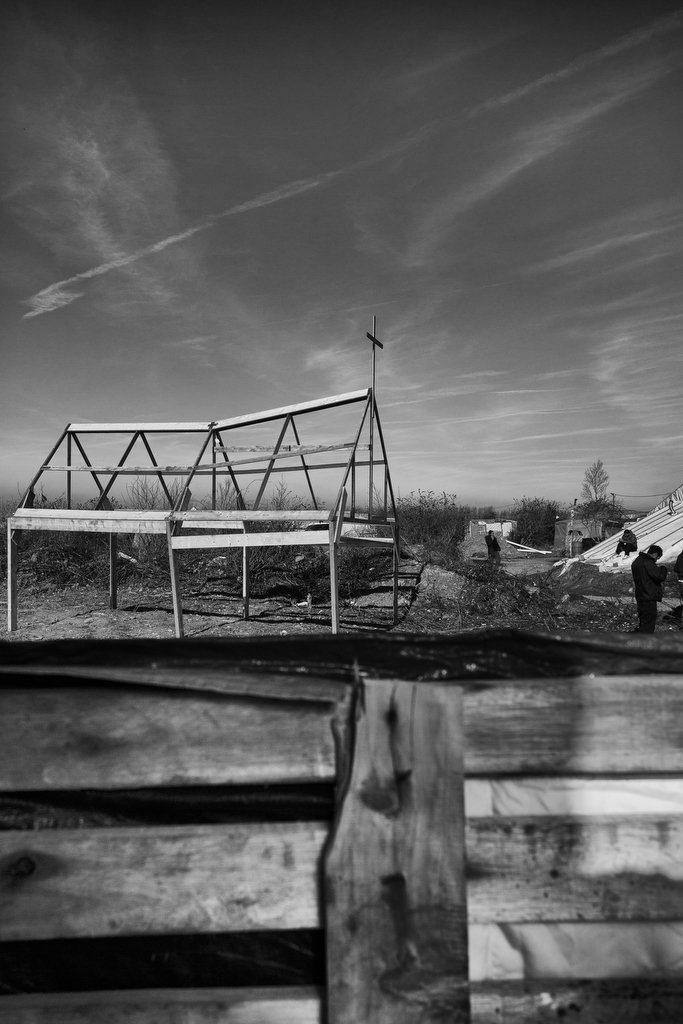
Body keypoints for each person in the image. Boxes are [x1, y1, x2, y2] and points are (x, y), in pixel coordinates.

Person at [631, 544, 667, 633]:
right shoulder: (648, 562)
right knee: (649, 622)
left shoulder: (637, 560)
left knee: (644, 620)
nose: (656, 560)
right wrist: (663, 568)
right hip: (648, 595)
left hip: (641, 595)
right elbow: (659, 576)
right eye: (658, 557)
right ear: (655, 554)